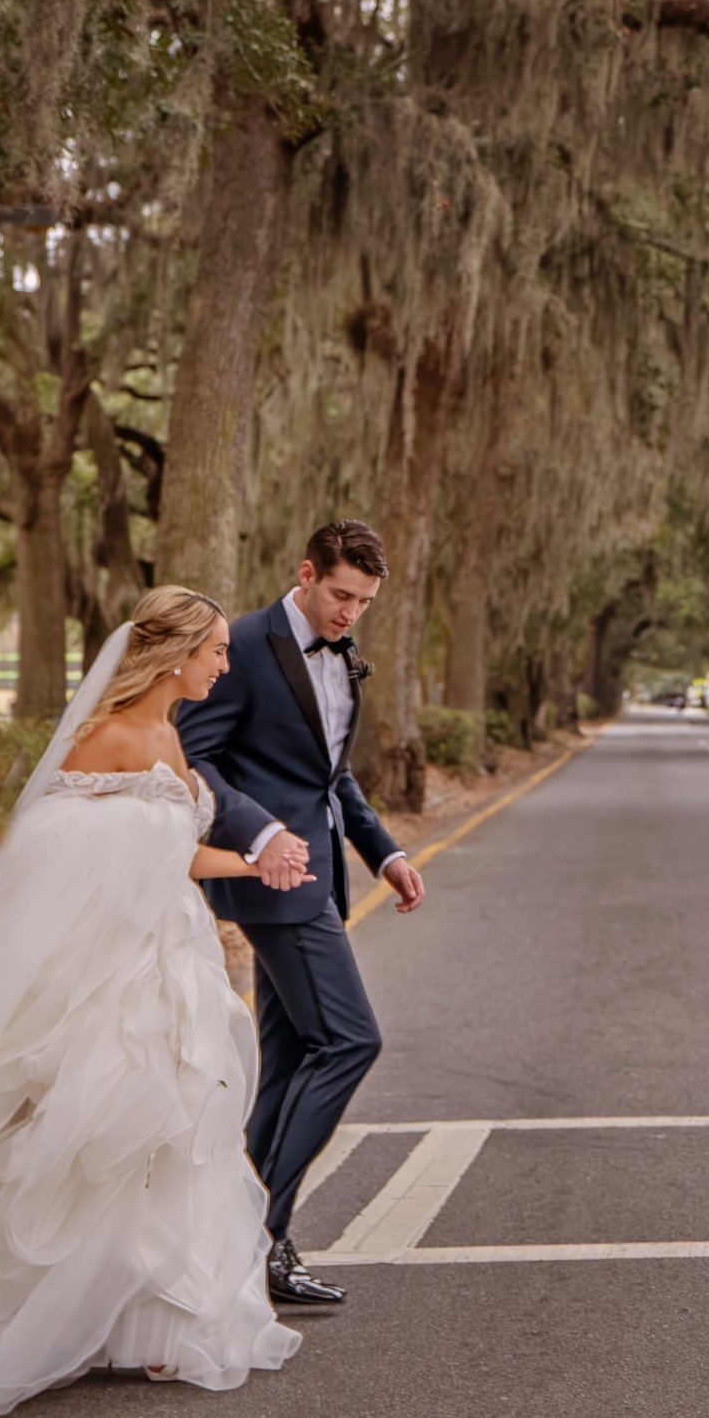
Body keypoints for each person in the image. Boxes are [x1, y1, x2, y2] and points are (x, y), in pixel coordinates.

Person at [0, 586, 306, 1418]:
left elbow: (172, 852)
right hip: (111, 971)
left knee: (173, 1137)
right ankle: (47, 1322)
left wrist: (252, 866)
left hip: (175, 956)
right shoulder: (107, 737)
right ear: (172, 655)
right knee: (99, 1137)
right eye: (215, 653)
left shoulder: (169, 733)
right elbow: (52, 855)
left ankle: (150, 1326)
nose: (225, 664)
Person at [181, 520, 425, 1307]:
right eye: (341, 594)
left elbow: (330, 776)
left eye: (364, 602)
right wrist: (259, 833)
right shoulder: (244, 646)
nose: (350, 613)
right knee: (352, 1039)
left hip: (320, 876)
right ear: (307, 573)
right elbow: (198, 759)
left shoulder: (344, 657)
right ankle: (261, 1236)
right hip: (273, 880)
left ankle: (236, 1238)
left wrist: (384, 852)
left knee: (288, 1064)